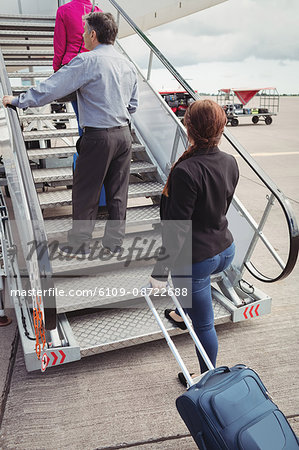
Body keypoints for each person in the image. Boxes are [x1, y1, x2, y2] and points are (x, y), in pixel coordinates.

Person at [3, 12, 138, 258]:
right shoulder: (127, 64)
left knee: (86, 191)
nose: (84, 36)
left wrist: (18, 100)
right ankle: (114, 243)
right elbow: (133, 105)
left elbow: (51, 88)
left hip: (99, 137)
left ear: (94, 34)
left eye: (85, 32)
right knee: (118, 192)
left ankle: (80, 244)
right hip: (123, 135)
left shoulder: (86, 61)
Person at [150, 99, 239, 386]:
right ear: (221, 128)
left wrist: (159, 273)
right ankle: (180, 312)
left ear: (188, 127)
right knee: (192, 298)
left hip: (197, 258)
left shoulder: (186, 171)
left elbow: (177, 230)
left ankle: (207, 376)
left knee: (204, 325)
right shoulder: (230, 162)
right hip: (225, 248)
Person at [53, 0, 102, 136]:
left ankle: (84, 154)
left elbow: (59, 44)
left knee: (82, 118)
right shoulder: (97, 10)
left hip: (73, 67)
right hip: (94, 67)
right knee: (92, 116)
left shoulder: (64, 10)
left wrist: (57, 69)